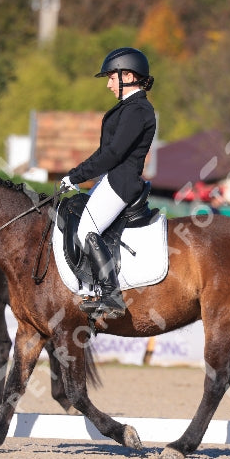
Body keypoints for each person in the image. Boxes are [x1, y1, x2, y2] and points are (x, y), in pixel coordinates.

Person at [59, 47, 157, 318]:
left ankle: (111, 295)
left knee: (86, 231)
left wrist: (75, 175)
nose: (108, 84)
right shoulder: (129, 107)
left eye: (112, 78)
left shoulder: (137, 110)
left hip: (120, 182)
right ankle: (88, 287)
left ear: (127, 75)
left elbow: (112, 153)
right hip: (111, 180)